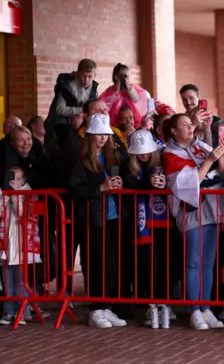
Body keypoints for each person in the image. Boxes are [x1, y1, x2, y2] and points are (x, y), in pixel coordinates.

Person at [163, 114, 224, 330]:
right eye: (185, 125)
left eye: (191, 124)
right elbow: (189, 182)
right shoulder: (170, 153)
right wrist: (210, 161)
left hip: (213, 207)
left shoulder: (200, 145)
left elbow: (222, 172)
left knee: (208, 262)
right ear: (173, 130)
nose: (190, 128)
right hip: (191, 210)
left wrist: (220, 154)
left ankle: (206, 307)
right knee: (193, 261)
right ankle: (194, 311)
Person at [69, 113, 127, 329]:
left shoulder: (113, 158)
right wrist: (100, 189)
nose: (102, 138)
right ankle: (96, 308)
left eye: (105, 134)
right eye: (98, 134)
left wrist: (120, 185)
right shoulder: (81, 160)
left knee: (111, 264)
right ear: (90, 135)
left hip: (113, 216)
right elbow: (75, 188)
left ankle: (107, 306)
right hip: (94, 218)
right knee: (95, 262)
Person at [122, 130, 171, 329]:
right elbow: (129, 183)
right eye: (139, 152)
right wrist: (146, 184)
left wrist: (164, 182)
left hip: (164, 222)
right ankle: (150, 306)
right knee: (147, 264)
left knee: (164, 264)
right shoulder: (128, 166)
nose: (144, 155)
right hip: (141, 223)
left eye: (147, 151)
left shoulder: (162, 163)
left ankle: (165, 304)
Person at [0, 167, 40, 325]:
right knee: (7, 281)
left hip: (22, 246)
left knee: (21, 281)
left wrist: (15, 194)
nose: (14, 181)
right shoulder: (6, 193)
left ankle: (23, 310)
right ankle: (9, 311)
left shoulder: (29, 194)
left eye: (17, 178)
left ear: (23, 181)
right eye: (11, 177)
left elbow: (21, 213)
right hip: (7, 245)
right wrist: (5, 195)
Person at [46, 59, 99, 132]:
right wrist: (81, 111)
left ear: (94, 75)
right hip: (59, 123)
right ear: (78, 73)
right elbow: (60, 109)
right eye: (83, 76)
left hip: (82, 121)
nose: (86, 80)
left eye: (90, 76)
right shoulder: (66, 84)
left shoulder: (94, 88)